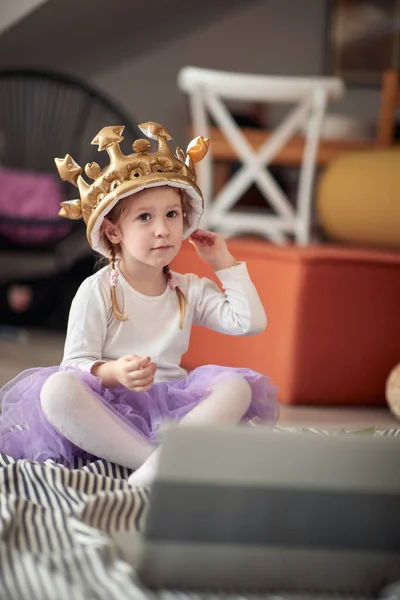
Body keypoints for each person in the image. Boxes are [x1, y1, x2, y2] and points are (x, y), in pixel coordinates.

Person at [0, 122, 278, 487]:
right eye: (145, 217)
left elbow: (249, 322)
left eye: (172, 215)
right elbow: (75, 364)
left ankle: (159, 465)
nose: (162, 229)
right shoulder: (97, 289)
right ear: (114, 232)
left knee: (236, 387)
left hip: (174, 411)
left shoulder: (188, 289)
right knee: (56, 389)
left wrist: (222, 261)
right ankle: (155, 464)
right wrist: (113, 373)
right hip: (111, 411)